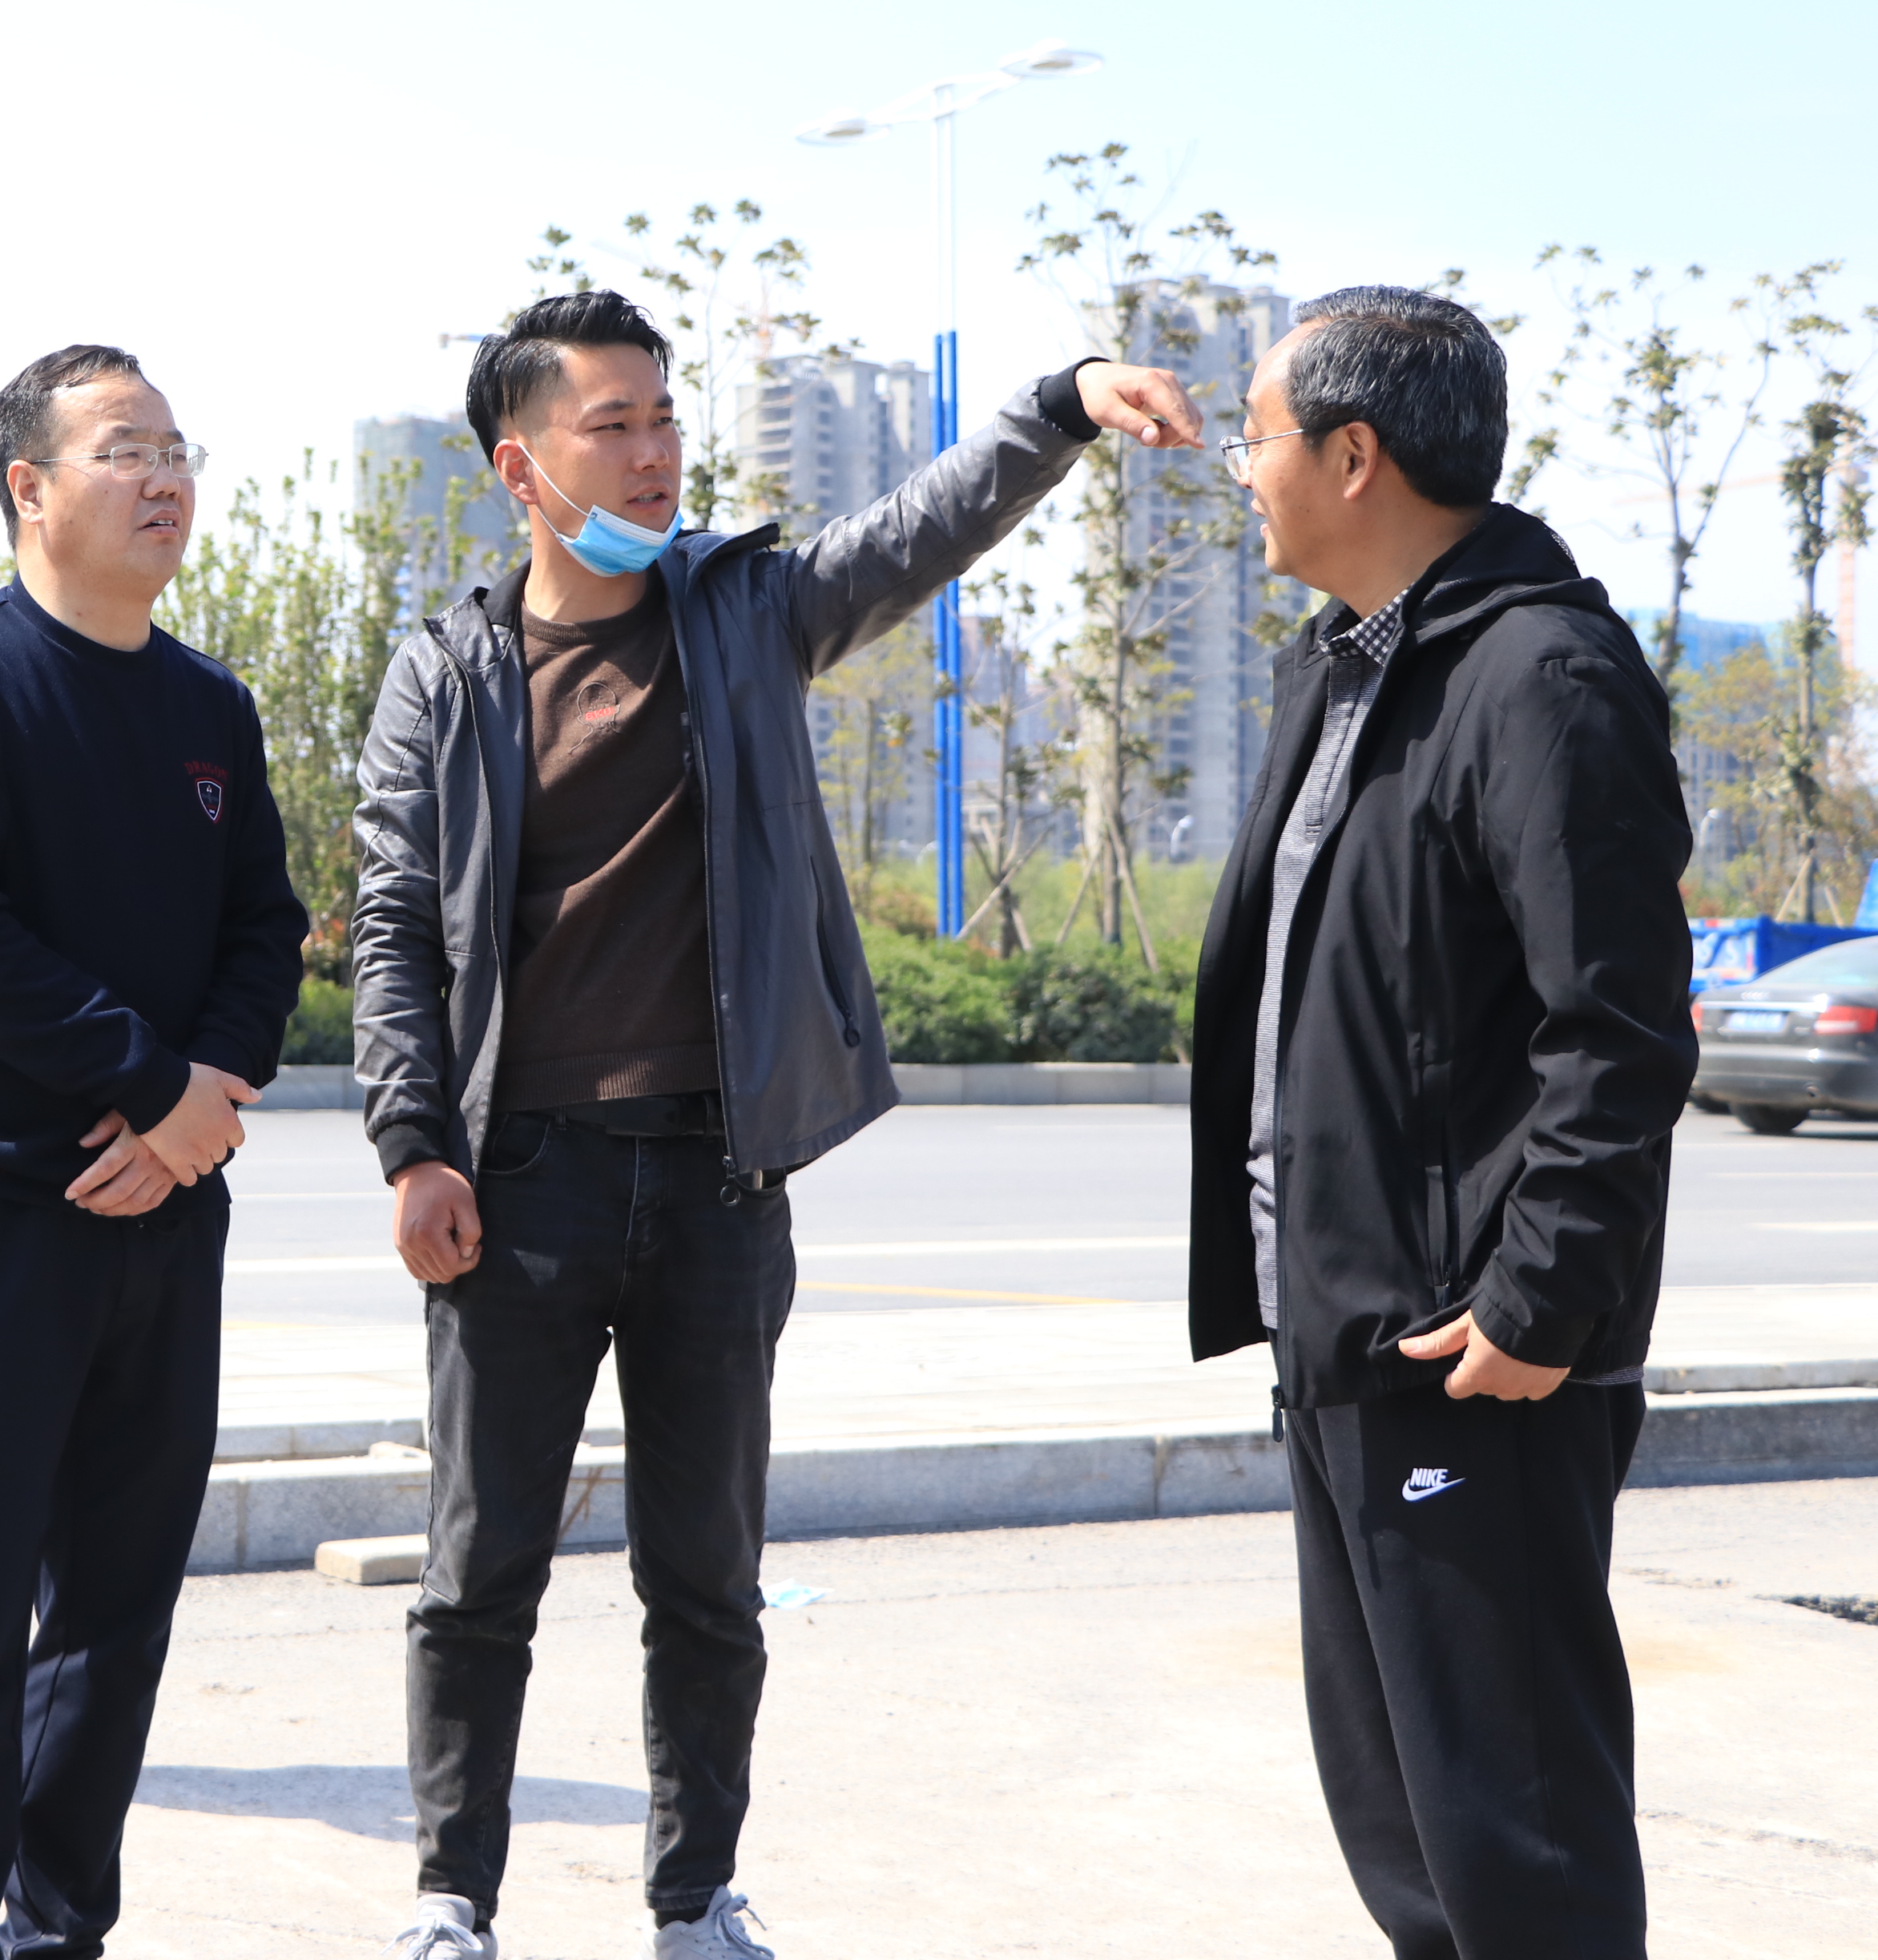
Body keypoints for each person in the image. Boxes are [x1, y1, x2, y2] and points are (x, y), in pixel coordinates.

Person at [351, 288, 1203, 1959]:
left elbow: (915, 532)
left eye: (665, 418)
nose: (655, 454)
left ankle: (694, 1898)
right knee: (477, 1572)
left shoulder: (743, 613)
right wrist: (413, 1142)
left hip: (714, 1178)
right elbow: (393, 921)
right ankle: (453, 1897)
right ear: (520, 466)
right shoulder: (446, 671)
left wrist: (1061, 402)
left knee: (707, 1577)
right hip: (516, 1182)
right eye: (613, 425)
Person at [1189, 288, 1691, 1959]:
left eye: (1256, 436)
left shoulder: (1542, 677)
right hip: (1349, 1331)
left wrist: (1541, 1301)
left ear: (1355, 453)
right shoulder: (1347, 671)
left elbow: (1617, 1027)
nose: (1242, 469)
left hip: (1480, 1352)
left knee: (1516, 1832)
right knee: (1410, 1834)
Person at [0, 344, 309, 1958]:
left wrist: (197, 1111)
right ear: (29, 487)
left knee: (118, 1614)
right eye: (126, 448)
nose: (164, 475)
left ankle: (60, 1926)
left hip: (167, 1210)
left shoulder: (209, 706)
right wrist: (150, 1085)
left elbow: (267, 930)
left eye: (177, 447)